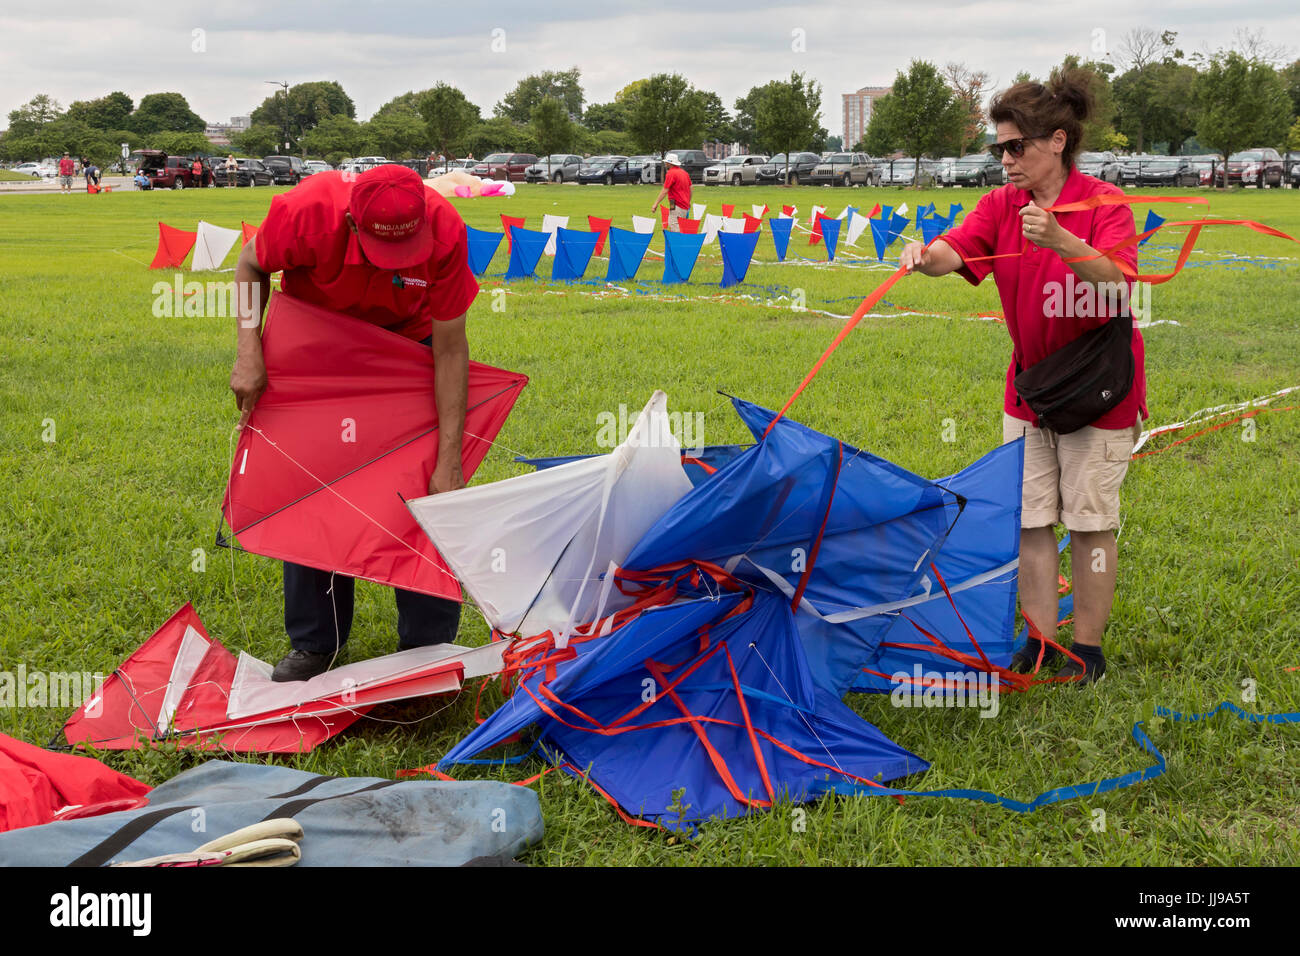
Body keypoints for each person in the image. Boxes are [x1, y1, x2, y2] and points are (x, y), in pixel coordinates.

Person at [899, 68, 1145, 685]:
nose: (1005, 160)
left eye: (1017, 147)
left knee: (1089, 523)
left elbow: (1118, 289)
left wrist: (1062, 239)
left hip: (1099, 390)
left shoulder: (1105, 204)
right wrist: (926, 257)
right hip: (1030, 389)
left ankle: (1085, 649)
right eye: (998, 148)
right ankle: (1039, 643)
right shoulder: (1001, 204)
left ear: (1057, 142)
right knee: (1031, 518)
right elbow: (957, 248)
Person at [230, 164, 481, 682]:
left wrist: (450, 460)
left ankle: (427, 647)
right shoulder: (304, 212)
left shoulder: (448, 229)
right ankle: (316, 643)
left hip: (408, 349)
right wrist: (248, 350)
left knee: (424, 483)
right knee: (314, 486)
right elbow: (249, 265)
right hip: (317, 344)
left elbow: (452, 348)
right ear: (350, 220)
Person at [652, 153, 692, 231]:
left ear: (670, 163)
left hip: (677, 204)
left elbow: (665, 190)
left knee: (674, 226)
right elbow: (691, 188)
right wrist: (688, 201)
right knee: (676, 225)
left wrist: (655, 204)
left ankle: (677, 243)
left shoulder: (671, 173)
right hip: (682, 204)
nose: (665, 163)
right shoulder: (684, 173)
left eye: (666, 162)